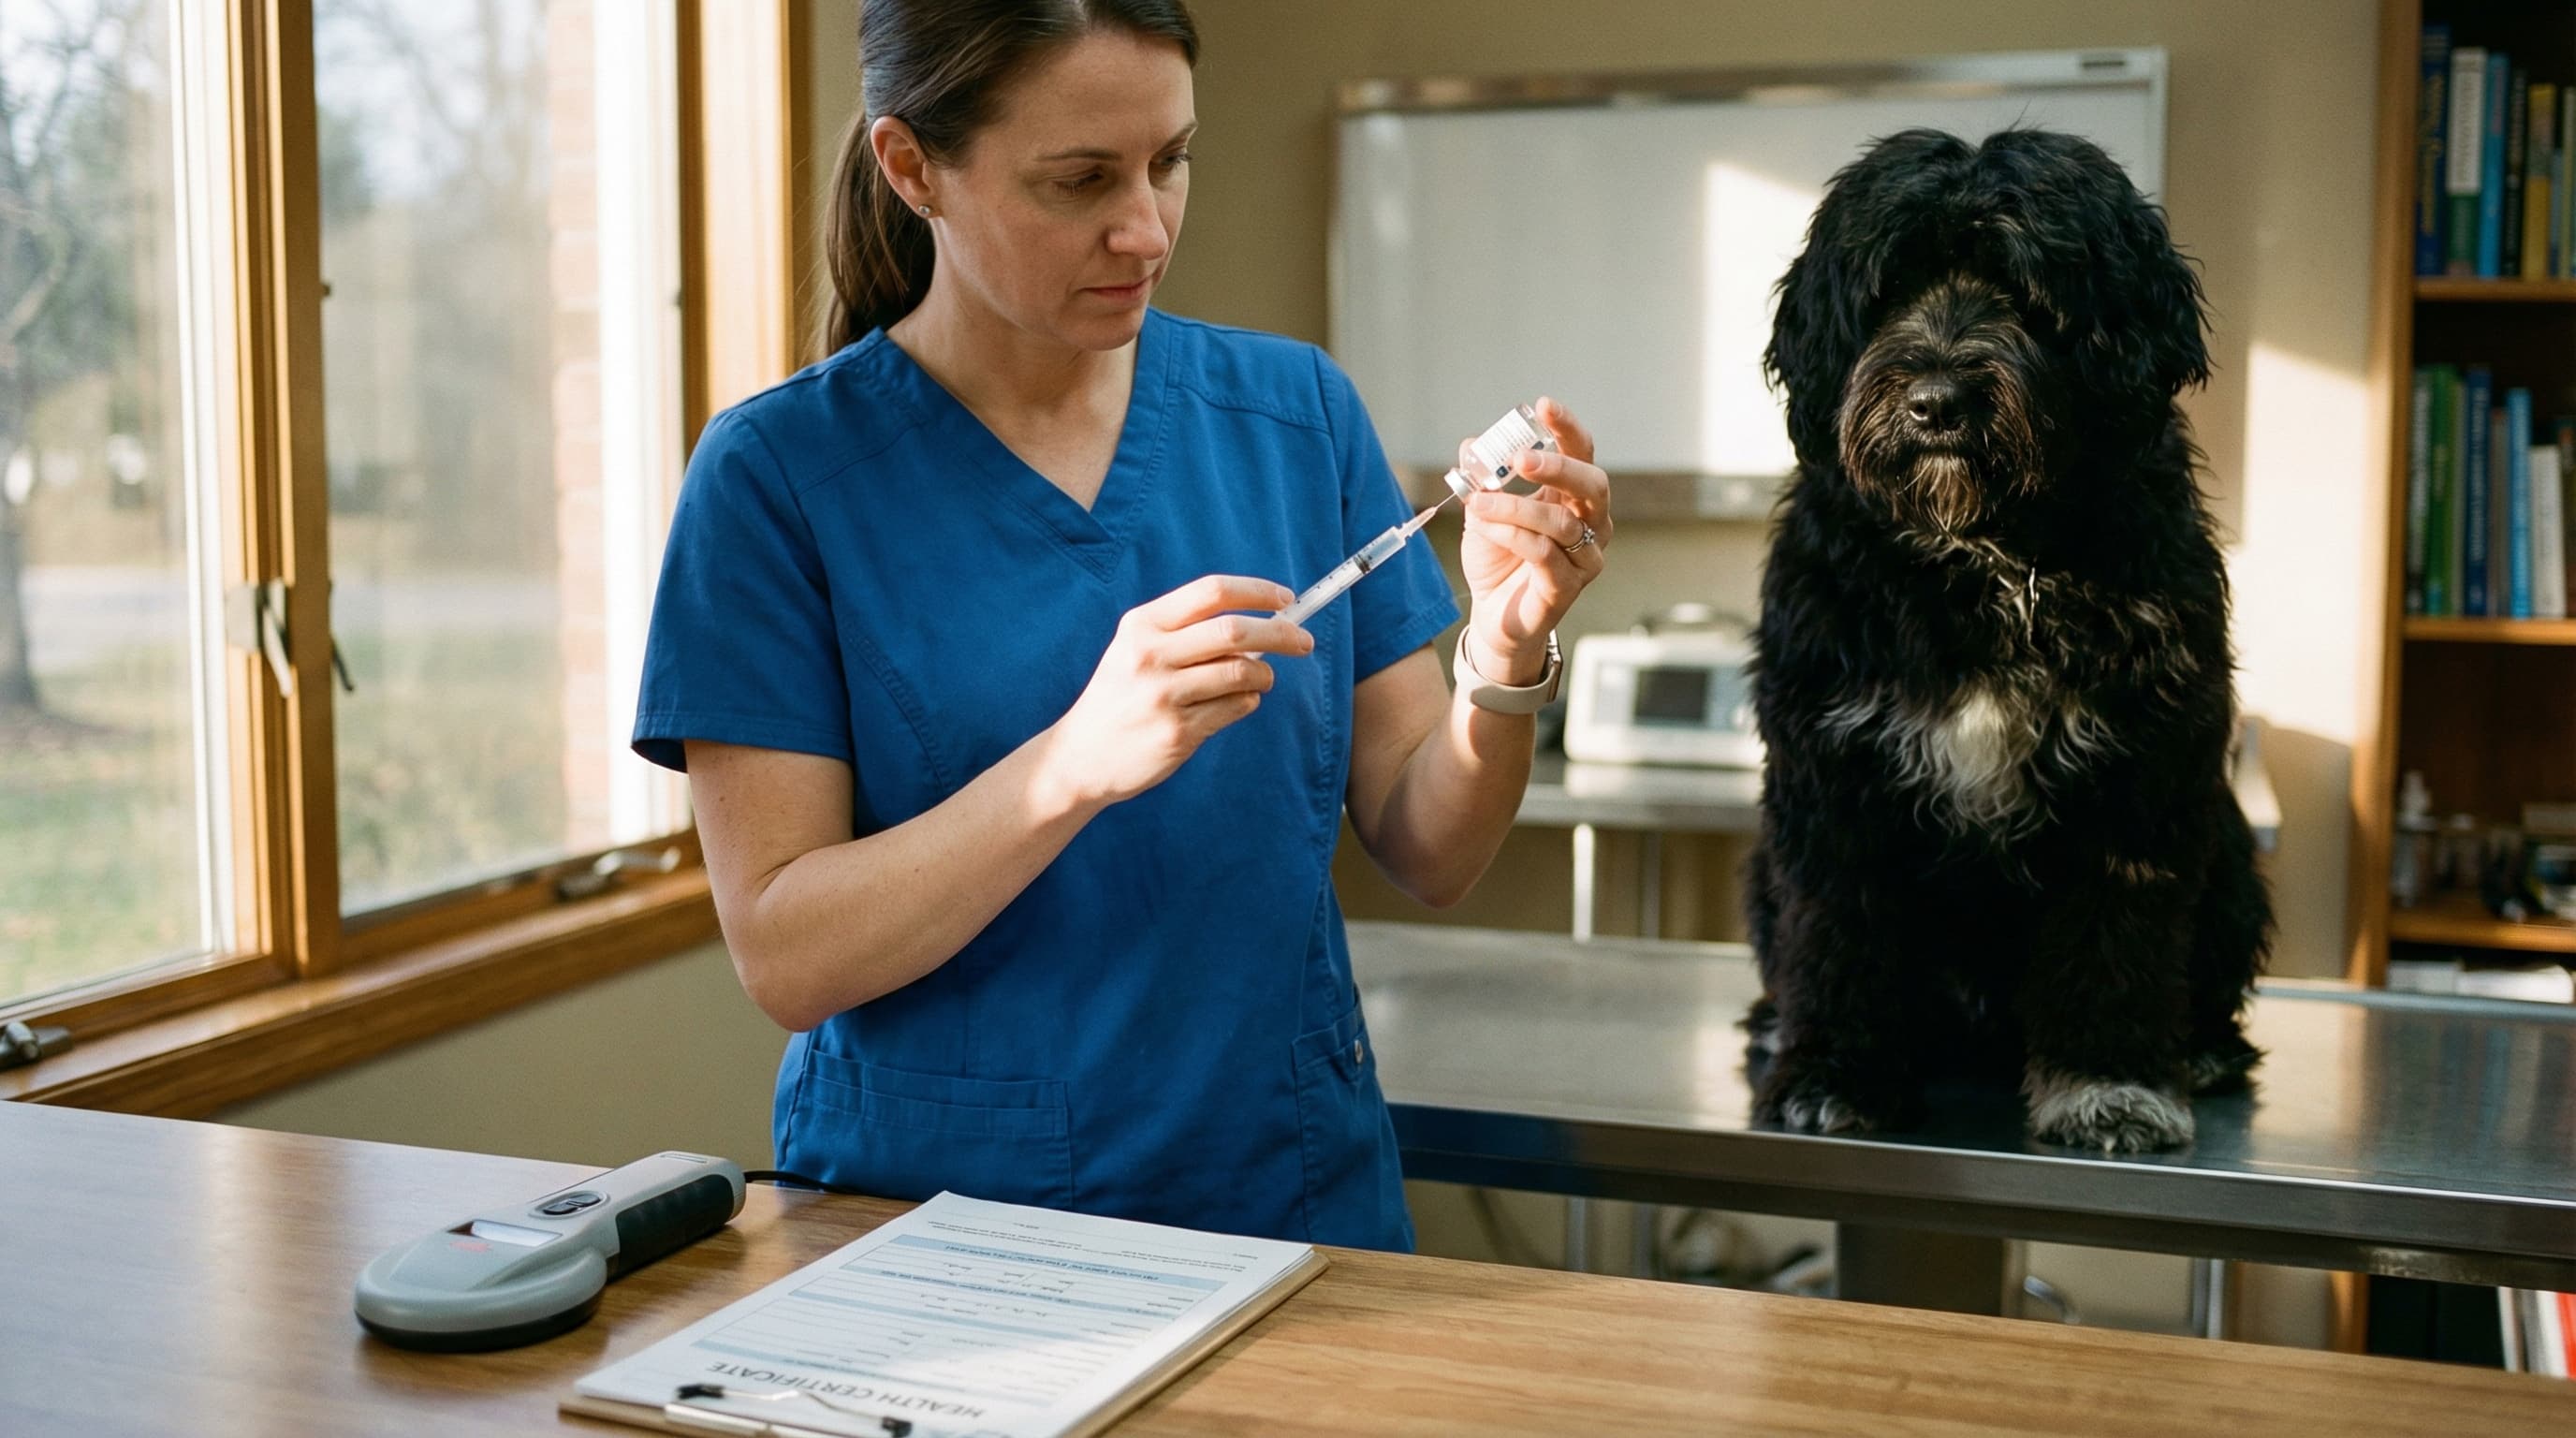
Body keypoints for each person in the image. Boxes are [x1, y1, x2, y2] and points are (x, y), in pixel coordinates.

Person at [633, 0, 1612, 1251]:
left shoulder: (1296, 414)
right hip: (939, 1237)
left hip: (1286, 1203)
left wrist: (1505, 651)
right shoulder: (777, 480)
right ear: (912, 165)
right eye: (1080, 179)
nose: (1145, 230)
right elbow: (787, 955)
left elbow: (1432, 846)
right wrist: (1075, 764)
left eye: (1171, 161)